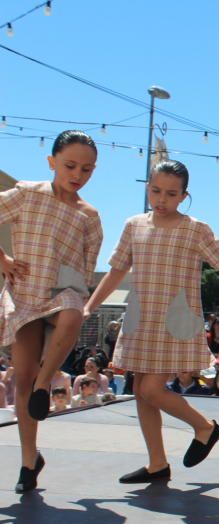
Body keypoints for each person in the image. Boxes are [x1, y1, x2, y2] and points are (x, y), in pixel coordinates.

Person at [85, 160, 219, 484]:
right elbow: (118, 269)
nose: (162, 199)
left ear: (184, 196)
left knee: (150, 388)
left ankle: (205, 427)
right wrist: (90, 305)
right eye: (156, 190)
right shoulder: (134, 224)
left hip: (174, 318)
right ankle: (157, 463)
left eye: (171, 193)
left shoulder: (195, 229)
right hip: (141, 318)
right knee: (141, 391)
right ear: (147, 188)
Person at [0, 130, 104, 492]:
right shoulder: (27, 193)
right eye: (70, 165)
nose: (78, 174)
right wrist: (3, 259)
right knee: (22, 376)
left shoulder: (90, 216)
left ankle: (47, 386)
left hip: (62, 295)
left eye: (87, 169)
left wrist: (74, 292)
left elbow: (86, 270)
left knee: (76, 310)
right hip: (25, 297)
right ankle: (30, 461)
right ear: (52, 162)